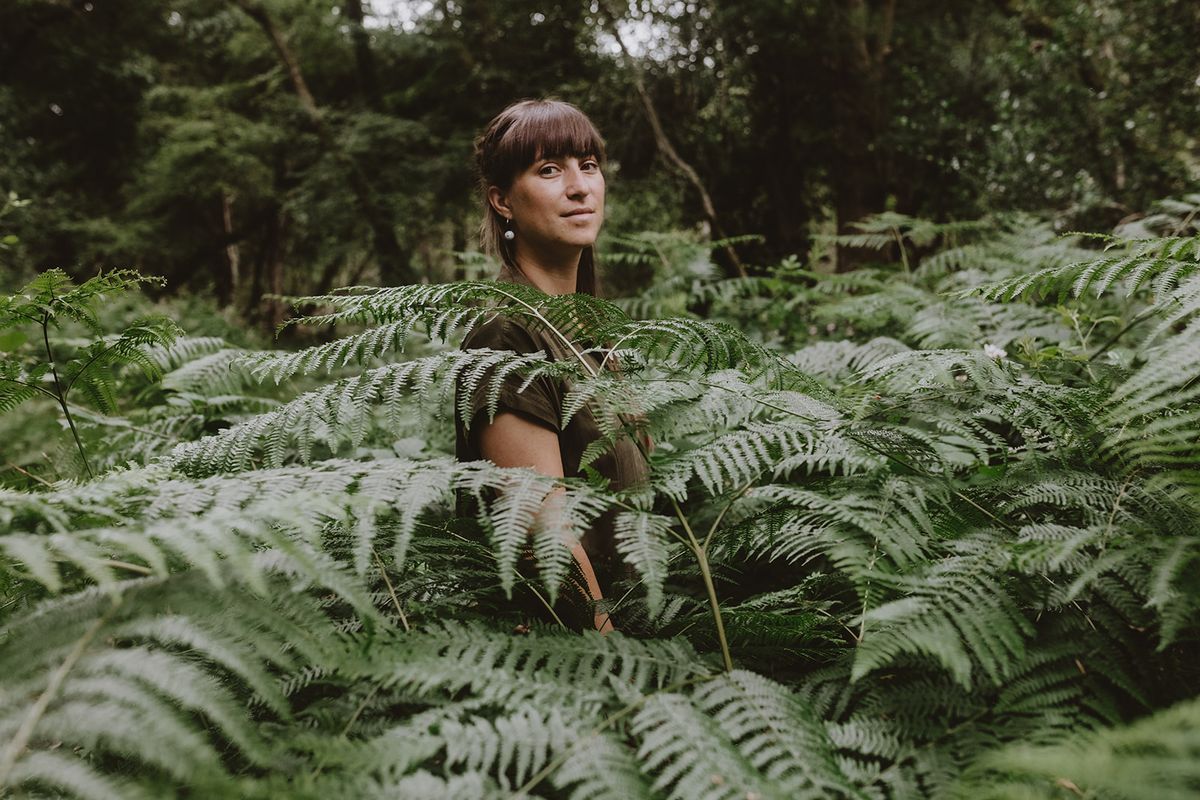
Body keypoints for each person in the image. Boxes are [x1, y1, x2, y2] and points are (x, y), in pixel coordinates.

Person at [454, 99, 648, 634]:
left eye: (588, 165)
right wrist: (627, 671)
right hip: (571, 660)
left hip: (637, 632)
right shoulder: (507, 335)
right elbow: (547, 539)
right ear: (502, 201)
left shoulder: (592, 333)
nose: (580, 186)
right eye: (549, 170)